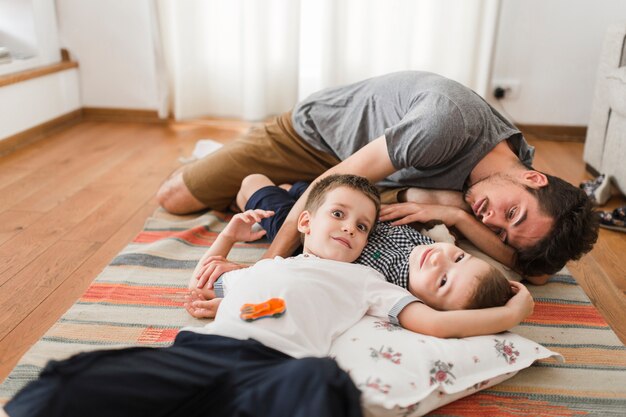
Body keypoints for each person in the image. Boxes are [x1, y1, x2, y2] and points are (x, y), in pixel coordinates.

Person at [2, 175, 533, 417]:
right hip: (198, 353)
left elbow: (436, 326)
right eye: (339, 215)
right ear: (305, 222)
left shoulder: (371, 281)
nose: (351, 229)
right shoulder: (270, 266)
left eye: (364, 227)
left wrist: (514, 309)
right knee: (62, 384)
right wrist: (229, 236)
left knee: (324, 383)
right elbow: (206, 280)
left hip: (275, 368)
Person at [157, 71, 598, 282]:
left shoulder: (504, 179)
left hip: (380, 174)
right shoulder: (445, 125)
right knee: (175, 197)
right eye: (512, 215)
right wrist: (268, 267)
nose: (493, 222)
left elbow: (536, 272)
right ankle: (217, 153)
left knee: (448, 205)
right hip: (317, 138)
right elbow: (326, 187)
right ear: (536, 178)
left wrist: (462, 221)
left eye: (501, 233)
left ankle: (268, 183)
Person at [187, 174, 515, 319]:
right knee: (307, 187)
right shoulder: (433, 245)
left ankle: (257, 204)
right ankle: (293, 190)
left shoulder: (383, 287)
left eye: (443, 281)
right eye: (458, 258)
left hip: (308, 234)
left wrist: (243, 285)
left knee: (253, 183)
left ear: (425, 303)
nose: (440, 261)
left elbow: (289, 296)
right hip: (350, 204)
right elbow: (500, 267)